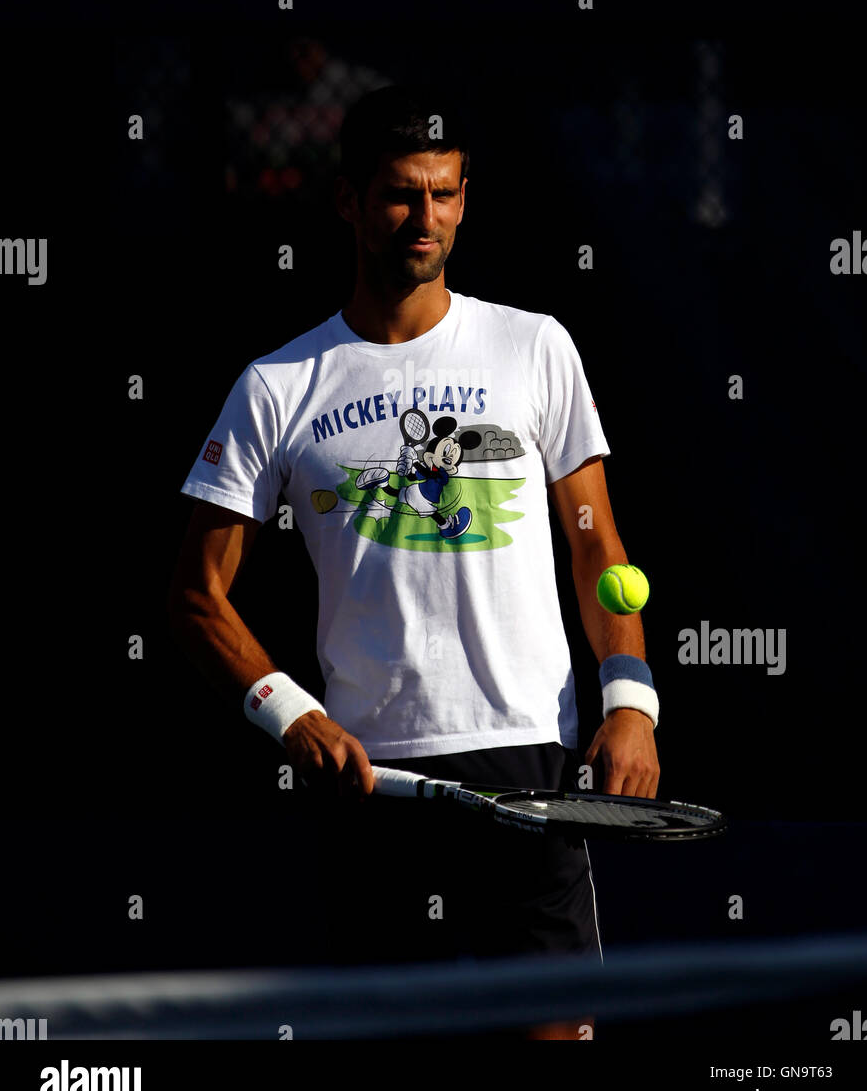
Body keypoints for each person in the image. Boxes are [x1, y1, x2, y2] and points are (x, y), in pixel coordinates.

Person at [168, 84, 660, 1040]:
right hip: (374, 782)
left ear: (466, 196)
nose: (423, 219)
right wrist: (291, 716)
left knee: (556, 1042)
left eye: (442, 193)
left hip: (533, 761)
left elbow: (597, 546)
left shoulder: (535, 347)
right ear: (347, 201)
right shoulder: (278, 386)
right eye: (398, 195)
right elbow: (194, 594)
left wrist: (630, 704)